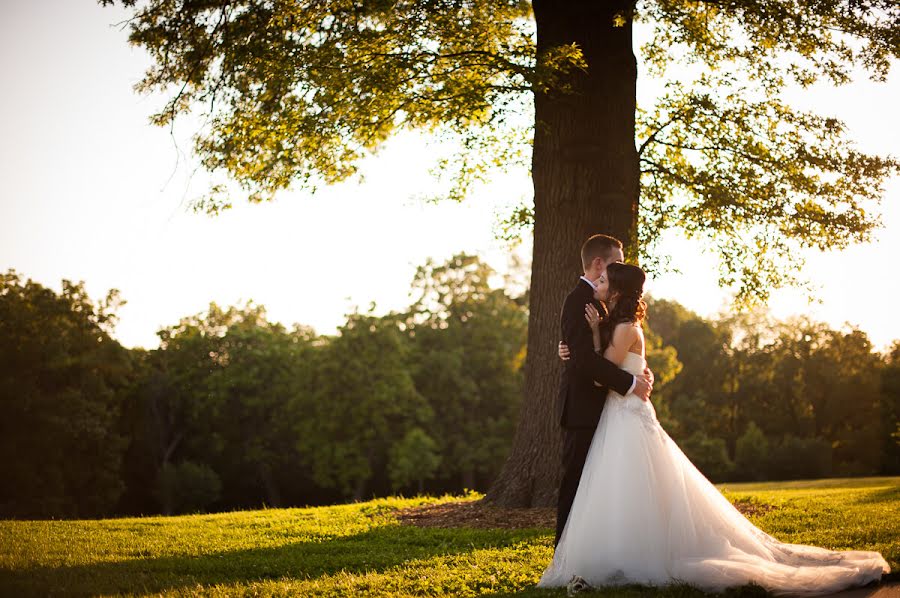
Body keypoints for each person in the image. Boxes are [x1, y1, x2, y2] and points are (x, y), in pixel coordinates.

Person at [539, 261, 890, 595]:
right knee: (624, 484)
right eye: (599, 279)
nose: (599, 283)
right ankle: (621, 550)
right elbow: (617, 365)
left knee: (634, 482)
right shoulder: (618, 320)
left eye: (605, 282)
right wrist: (577, 348)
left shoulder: (622, 326)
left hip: (626, 413)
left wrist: (592, 340)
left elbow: (604, 372)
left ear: (616, 292)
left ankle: (637, 553)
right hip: (622, 412)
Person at [554, 234, 653, 548]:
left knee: (602, 486)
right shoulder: (579, 299)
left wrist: (635, 371)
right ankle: (565, 555)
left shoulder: (603, 300)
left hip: (608, 408)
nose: (619, 269)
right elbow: (584, 359)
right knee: (575, 484)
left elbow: (609, 350)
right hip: (584, 408)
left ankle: (601, 550)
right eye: (615, 263)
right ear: (599, 263)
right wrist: (630, 383)